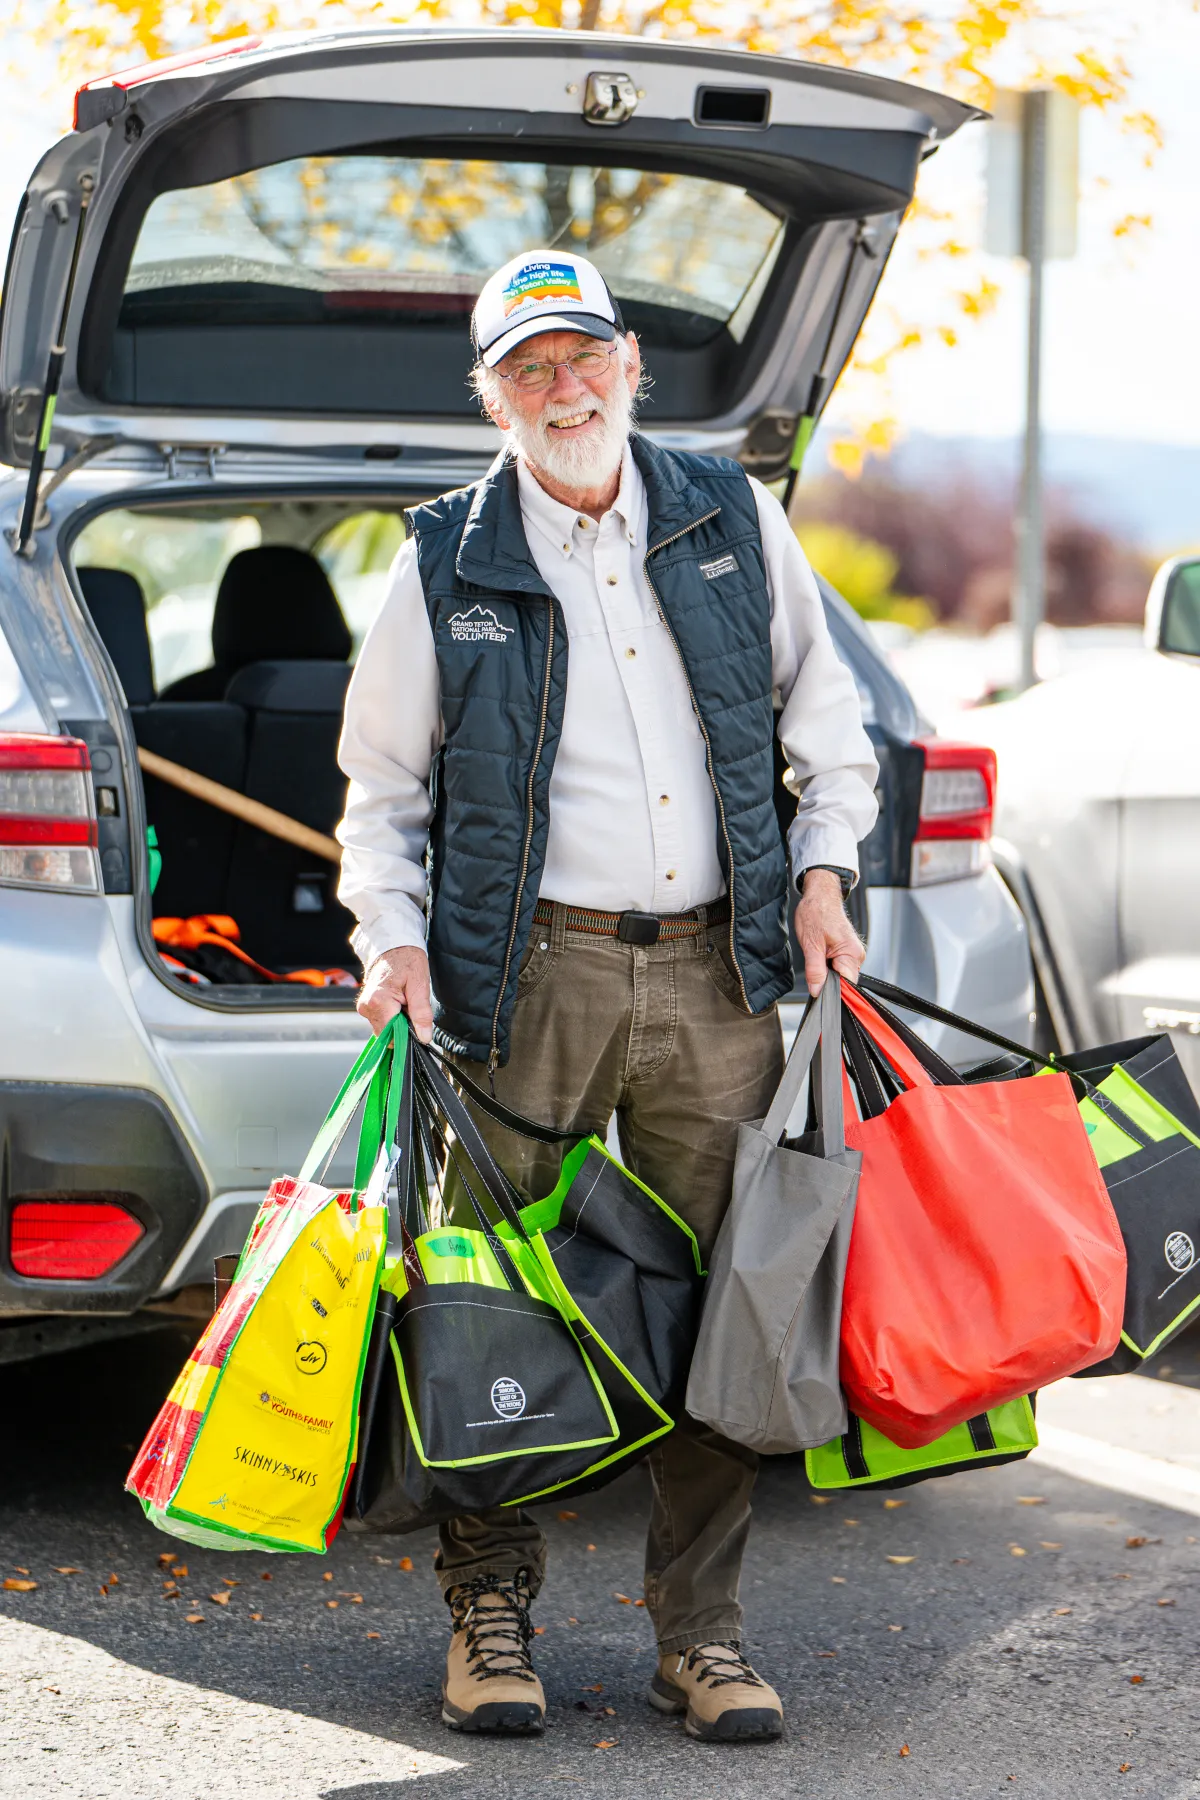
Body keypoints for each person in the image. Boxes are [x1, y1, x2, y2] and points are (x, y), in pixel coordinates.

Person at [336, 248, 878, 1744]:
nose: (561, 389)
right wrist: (393, 938)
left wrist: (824, 875)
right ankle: (489, 1616)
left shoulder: (730, 516)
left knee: (729, 1304)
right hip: (530, 976)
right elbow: (380, 793)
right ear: (489, 396)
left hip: (722, 970)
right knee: (487, 1298)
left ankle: (698, 1637)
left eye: (582, 359)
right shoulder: (442, 555)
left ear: (631, 364)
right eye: (528, 368)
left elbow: (829, 727)